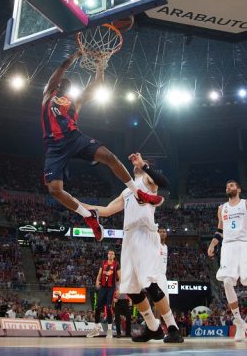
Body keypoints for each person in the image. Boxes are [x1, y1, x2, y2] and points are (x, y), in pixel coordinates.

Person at [41, 50, 164, 241]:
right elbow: (61, 68)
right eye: (62, 82)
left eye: (67, 83)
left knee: (109, 157)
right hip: (54, 146)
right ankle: (88, 216)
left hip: (74, 137)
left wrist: (100, 66)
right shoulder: (49, 94)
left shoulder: (76, 101)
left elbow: (96, 86)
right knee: (54, 190)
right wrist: (75, 56)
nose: (64, 83)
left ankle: (138, 193)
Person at [80, 152, 183, 343]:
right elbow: (107, 210)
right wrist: (79, 206)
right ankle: (153, 328)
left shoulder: (148, 180)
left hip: (145, 233)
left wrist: (143, 165)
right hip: (129, 237)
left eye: (141, 163)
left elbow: (165, 182)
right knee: (132, 289)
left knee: (150, 284)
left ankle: (173, 328)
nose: (136, 164)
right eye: (136, 163)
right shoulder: (127, 191)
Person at [207, 180, 247, 342]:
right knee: (227, 281)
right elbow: (220, 230)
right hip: (228, 246)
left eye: (232, 186)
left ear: (239, 189)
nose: (229, 187)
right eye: (227, 186)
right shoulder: (222, 208)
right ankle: (239, 322)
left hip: (245, 244)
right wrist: (213, 244)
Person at [87, 250, 119, 338]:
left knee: (108, 308)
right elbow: (99, 273)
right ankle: (96, 329)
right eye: (109, 253)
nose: (110, 255)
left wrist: (118, 289)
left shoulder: (116, 264)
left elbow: (120, 277)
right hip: (103, 288)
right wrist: (97, 281)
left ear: (114, 256)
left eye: (112, 254)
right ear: (107, 255)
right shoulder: (103, 263)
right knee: (97, 308)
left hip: (111, 288)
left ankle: (109, 330)